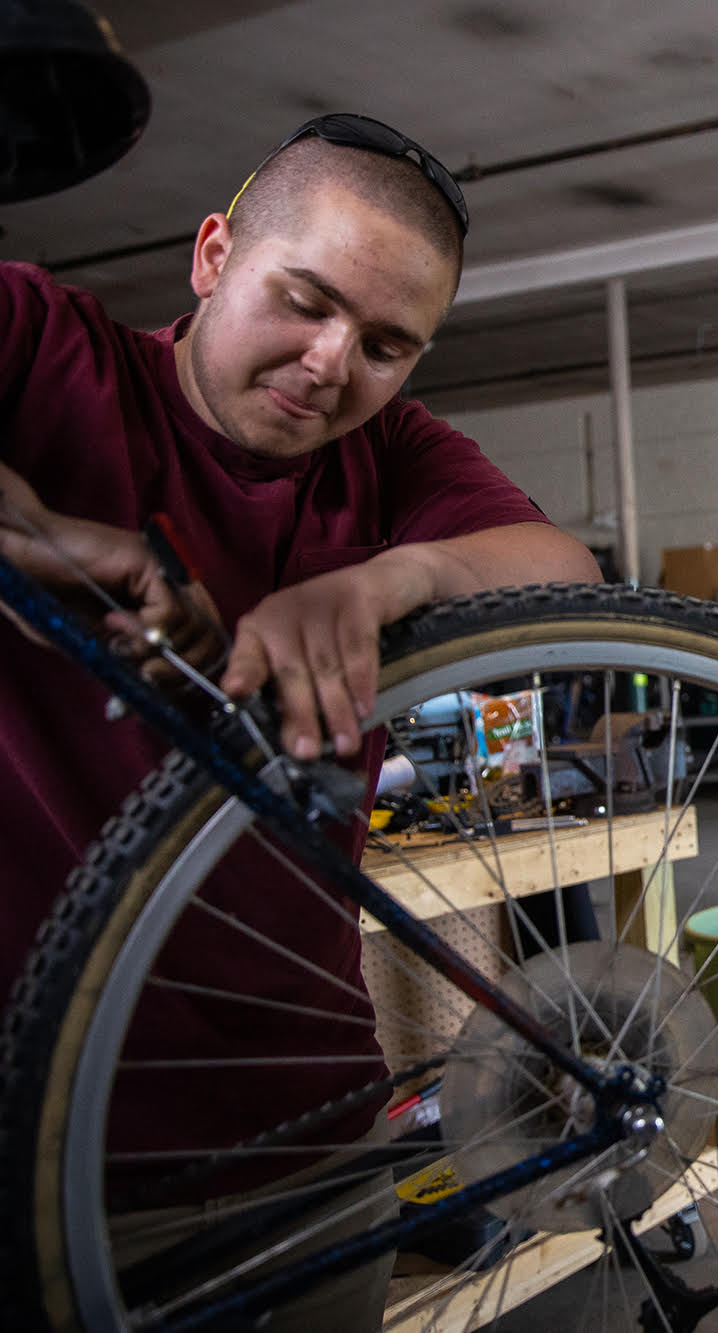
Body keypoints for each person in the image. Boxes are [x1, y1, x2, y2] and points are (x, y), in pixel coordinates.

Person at [0, 114, 599, 1325]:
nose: (333, 364)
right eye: (304, 301)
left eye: (387, 344)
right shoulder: (43, 348)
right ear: (214, 252)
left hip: (312, 1146)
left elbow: (569, 580)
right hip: (47, 1150)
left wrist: (397, 579)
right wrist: (41, 532)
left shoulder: (390, 460)